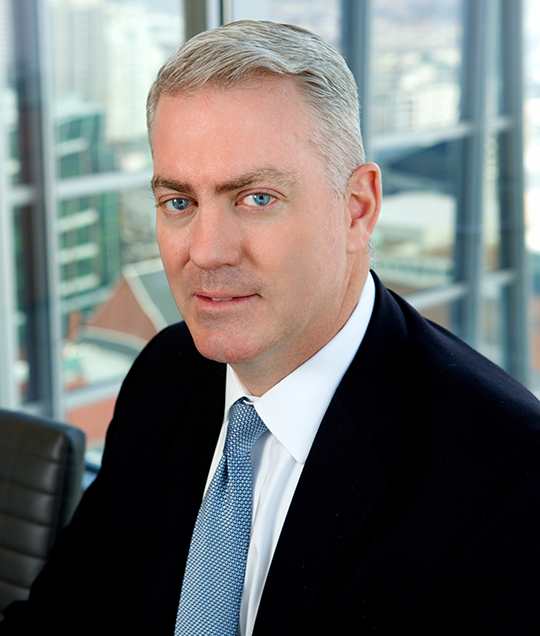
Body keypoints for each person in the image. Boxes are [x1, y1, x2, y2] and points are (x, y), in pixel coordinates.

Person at [2, 19, 540, 636]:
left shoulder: (507, 477)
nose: (207, 252)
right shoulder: (166, 373)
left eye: (256, 198)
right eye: (180, 202)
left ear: (357, 208)